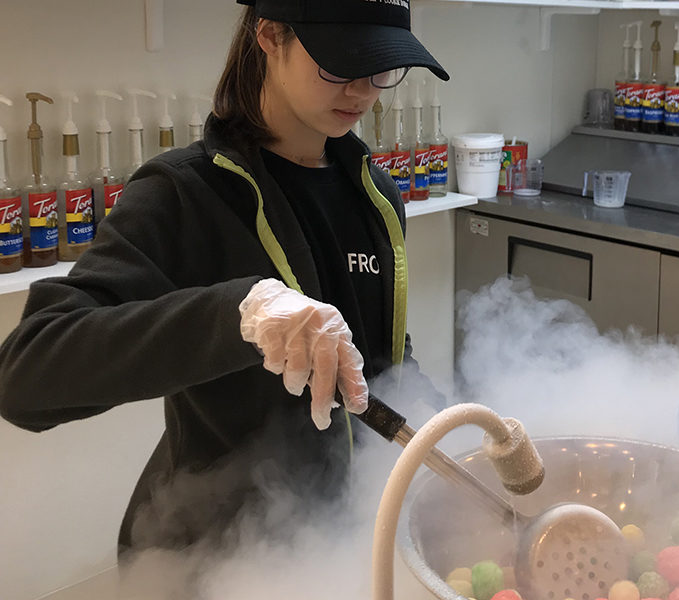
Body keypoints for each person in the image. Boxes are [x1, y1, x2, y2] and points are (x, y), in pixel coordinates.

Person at [0, 0, 449, 555]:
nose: (361, 91)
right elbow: (25, 374)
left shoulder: (376, 194)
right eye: (340, 65)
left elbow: (382, 360)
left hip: (342, 543)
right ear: (269, 36)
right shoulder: (182, 193)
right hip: (215, 557)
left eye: (382, 68)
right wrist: (237, 313)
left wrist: (447, 425)